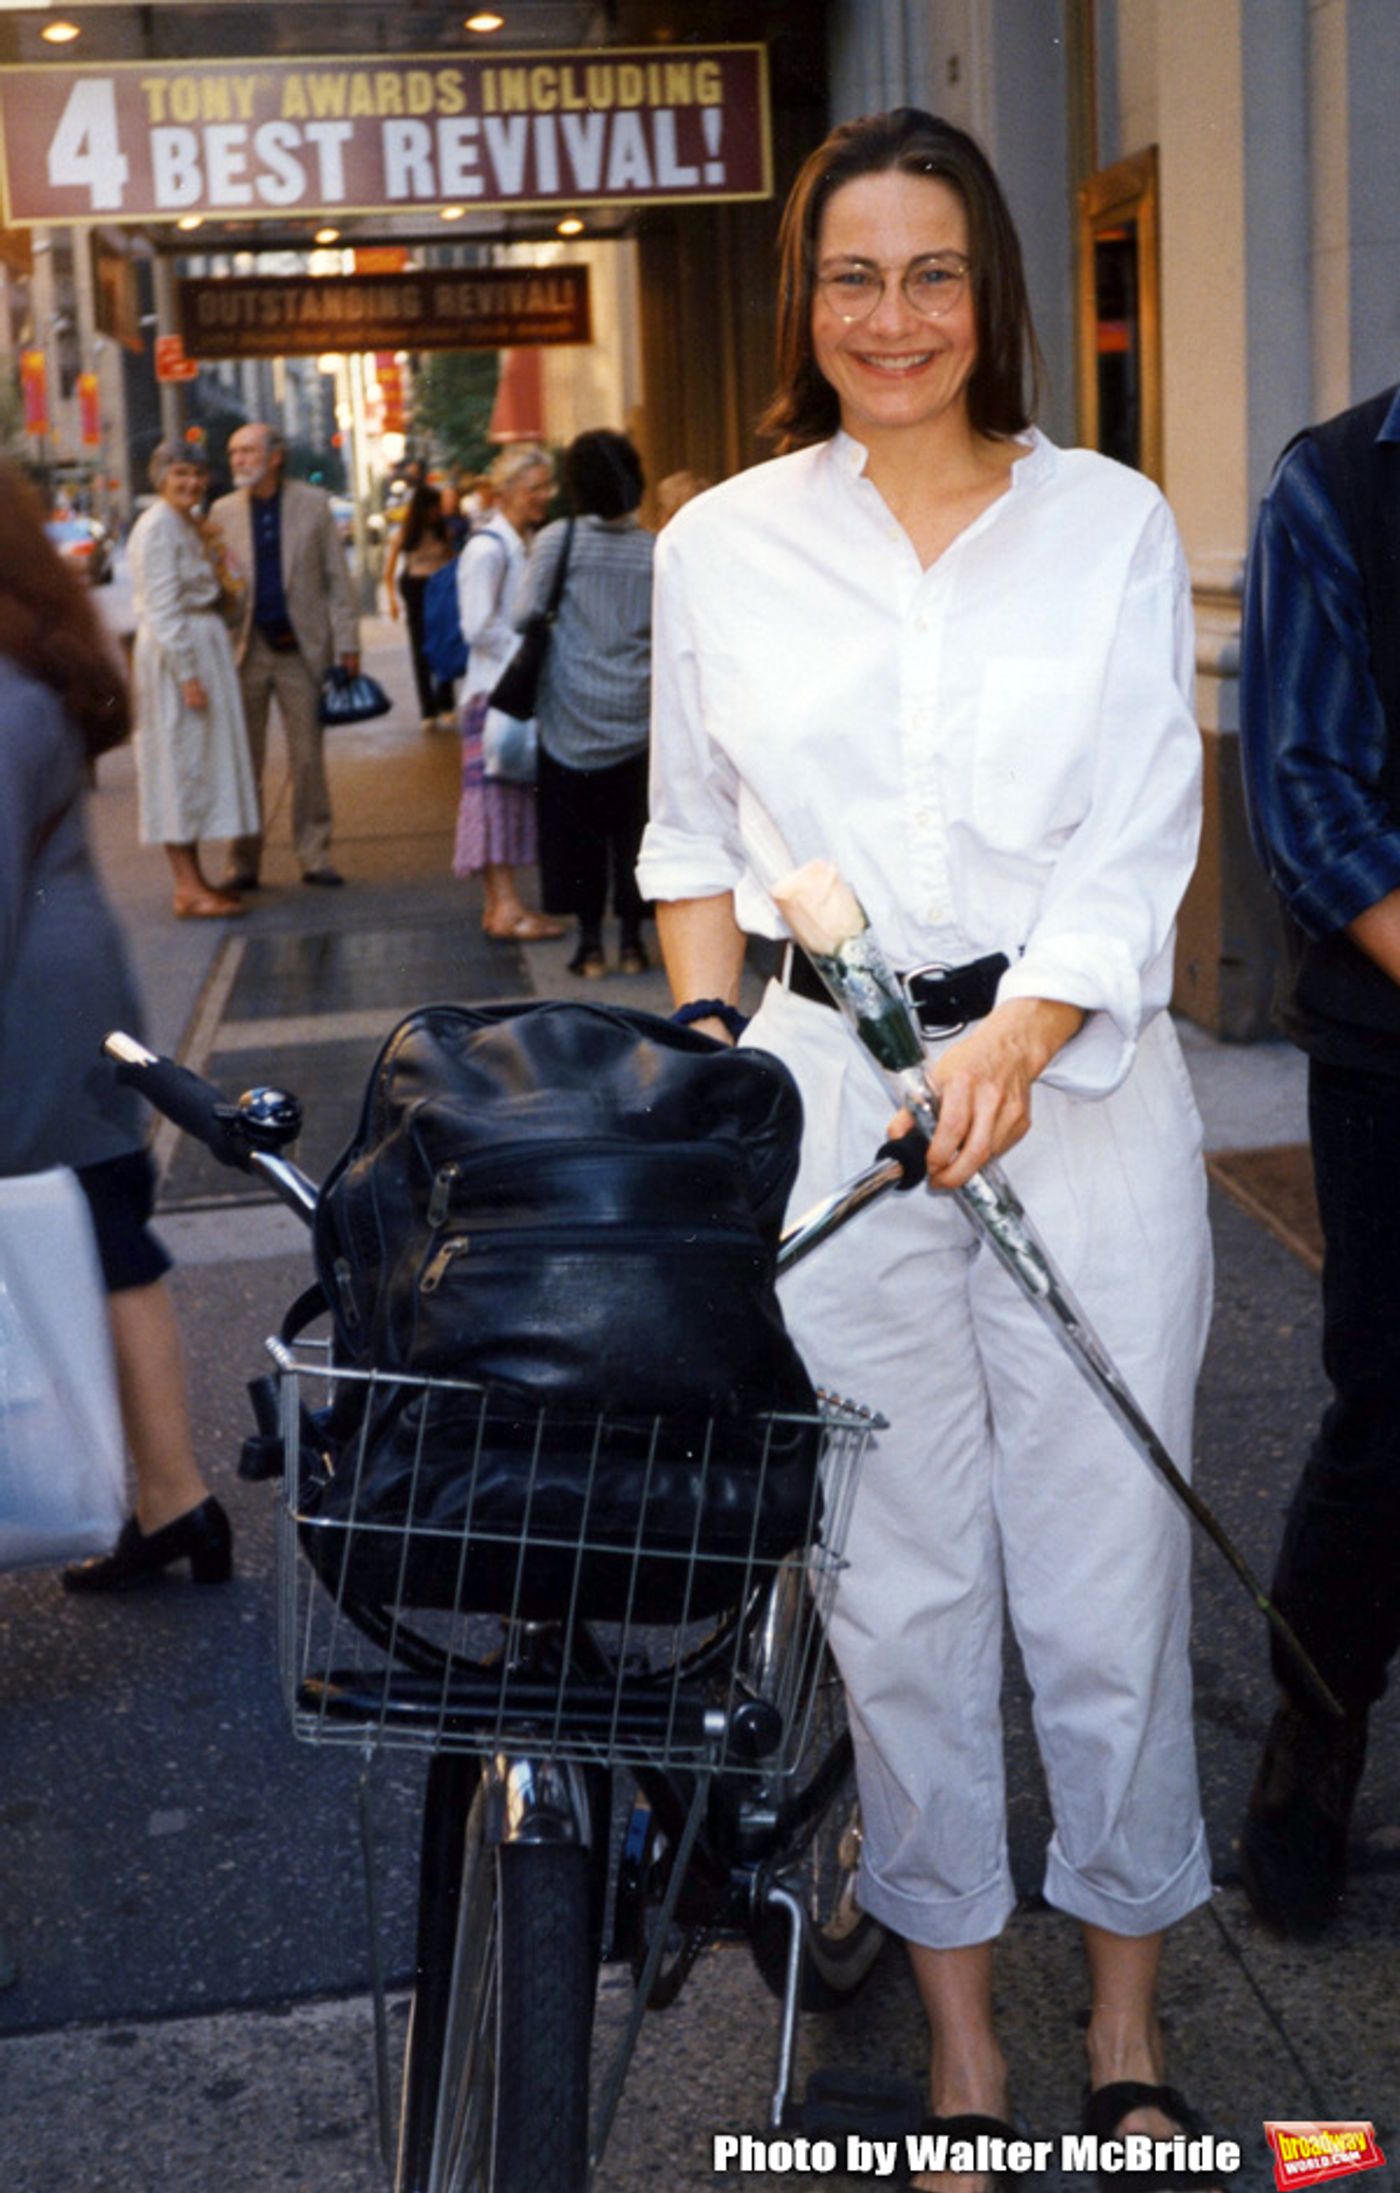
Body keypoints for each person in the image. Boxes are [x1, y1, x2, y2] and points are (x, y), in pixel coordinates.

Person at [637, 109, 1215, 2186]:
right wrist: (714, 1052)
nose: (895, 317)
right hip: (832, 1121)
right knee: (890, 1582)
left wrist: (1030, 1028)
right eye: (853, 274)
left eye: (935, 273)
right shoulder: (715, 542)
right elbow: (695, 844)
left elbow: (1147, 826)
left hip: (1078, 1103)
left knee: (1105, 1573)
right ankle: (966, 2042)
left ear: (998, 299)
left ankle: (1126, 2025)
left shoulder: (1113, 523)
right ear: (804, 301)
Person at [0, 464, 232, 1595]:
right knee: (109, 1236)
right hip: (67, 1000)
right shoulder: (33, 665)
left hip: (25, 1015)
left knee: (97, 1232)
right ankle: (174, 1496)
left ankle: (162, 1495)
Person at [1236, 382, 1400, 1939]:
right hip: (1393, 1043)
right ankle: (1313, 1744)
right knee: (1390, 1422)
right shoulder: (1338, 485)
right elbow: (1308, 790)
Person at [524, 429, 655, 977]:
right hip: (638, 715)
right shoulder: (653, 547)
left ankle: (589, 947)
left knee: (577, 838)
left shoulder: (559, 540)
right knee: (633, 835)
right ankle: (631, 943)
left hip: (571, 714)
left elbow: (526, 613)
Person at [210, 422, 360, 890]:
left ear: (275, 455)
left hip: (301, 651)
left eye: (248, 451)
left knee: (308, 759)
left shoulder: (313, 505)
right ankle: (243, 862)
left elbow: (338, 581)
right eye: (233, 452)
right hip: (245, 651)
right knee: (243, 761)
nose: (238, 460)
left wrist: (348, 643)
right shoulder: (221, 511)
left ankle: (314, 854)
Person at [127, 442, 257, 919]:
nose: (192, 484)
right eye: (181, 473)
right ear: (160, 477)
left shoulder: (187, 524)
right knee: (179, 766)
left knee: (197, 765)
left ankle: (195, 880)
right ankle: (187, 886)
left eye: (199, 475)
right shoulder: (159, 526)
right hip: (178, 652)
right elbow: (161, 607)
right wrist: (187, 674)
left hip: (201, 642)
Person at [452, 444, 565, 943]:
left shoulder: (519, 542)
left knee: (502, 797)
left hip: (504, 690)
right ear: (508, 491)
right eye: (535, 487)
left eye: (547, 485)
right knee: (494, 799)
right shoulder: (487, 549)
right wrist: (528, 654)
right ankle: (507, 907)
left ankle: (502, 904)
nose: (545, 496)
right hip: (495, 693)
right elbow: (477, 626)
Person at [383, 481, 457, 732]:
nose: (437, 511)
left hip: (440, 589)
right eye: (433, 507)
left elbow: (451, 560)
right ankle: (428, 709)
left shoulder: (443, 531)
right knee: (420, 648)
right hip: (415, 589)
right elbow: (390, 570)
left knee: (445, 643)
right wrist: (392, 600)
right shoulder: (405, 534)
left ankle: (446, 703)